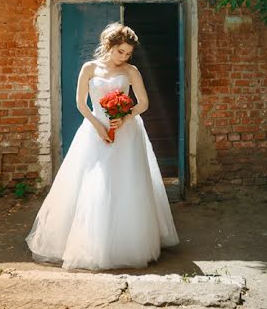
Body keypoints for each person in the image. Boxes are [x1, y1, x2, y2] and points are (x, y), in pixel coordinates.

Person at [26, 22, 180, 270]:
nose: (124, 57)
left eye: (128, 53)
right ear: (109, 46)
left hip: (126, 133)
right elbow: (80, 103)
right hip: (94, 131)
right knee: (94, 183)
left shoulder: (131, 71)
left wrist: (126, 117)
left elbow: (143, 103)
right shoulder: (89, 68)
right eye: (121, 51)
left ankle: (127, 244)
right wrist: (99, 127)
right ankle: (93, 245)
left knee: (126, 183)